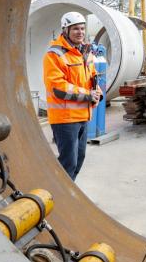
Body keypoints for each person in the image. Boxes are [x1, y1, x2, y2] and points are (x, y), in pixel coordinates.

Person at [43, 11, 102, 180]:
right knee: (68, 163)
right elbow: (58, 87)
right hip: (65, 119)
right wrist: (87, 94)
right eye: (75, 29)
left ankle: (68, 194)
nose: (80, 32)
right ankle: (60, 199)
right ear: (65, 30)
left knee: (78, 160)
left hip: (83, 116)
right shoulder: (54, 55)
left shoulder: (85, 53)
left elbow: (93, 77)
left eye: (82, 28)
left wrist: (98, 93)